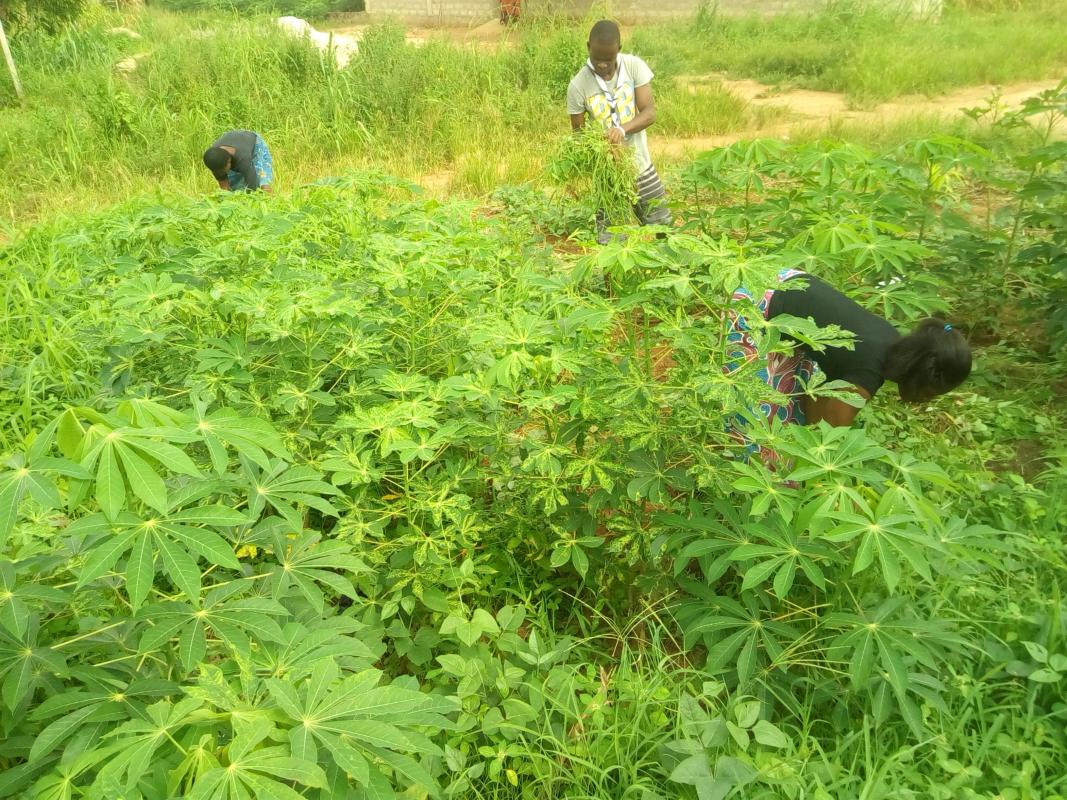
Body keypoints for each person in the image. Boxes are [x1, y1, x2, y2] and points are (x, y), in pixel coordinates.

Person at [725, 269, 972, 437]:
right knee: (755, 430)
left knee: (793, 404)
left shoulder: (890, 341)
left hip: (787, 280)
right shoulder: (867, 373)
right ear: (923, 374)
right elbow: (825, 435)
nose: (925, 401)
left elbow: (814, 404)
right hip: (756, 305)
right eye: (930, 393)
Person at [566, 19, 671, 244]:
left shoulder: (633, 66)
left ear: (619, 50)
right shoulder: (578, 86)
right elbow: (579, 135)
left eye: (608, 59)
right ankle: (612, 281)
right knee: (612, 243)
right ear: (588, 47)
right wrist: (603, 148)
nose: (603, 65)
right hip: (608, 180)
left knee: (664, 230)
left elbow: (649, 112)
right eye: (597, 59)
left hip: (641, 167)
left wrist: (621, 130)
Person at [202, 130, 274, 193]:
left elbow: (252, 185)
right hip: (235, 141)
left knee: (263, 183)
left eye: (223, 170)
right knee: (236, 188)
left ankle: (270, 204)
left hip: (255, 144)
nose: (222, 173)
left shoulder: (242, 158)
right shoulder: (214, 160)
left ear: (229, 161)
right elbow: (224, 187)